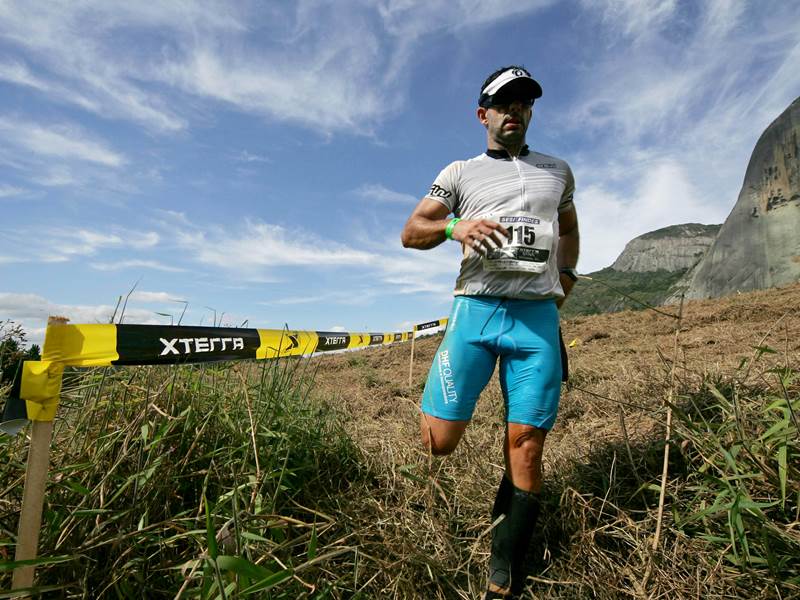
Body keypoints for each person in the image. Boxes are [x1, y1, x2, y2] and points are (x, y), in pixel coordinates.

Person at [400, 65, 579, 599]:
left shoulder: (557, 171)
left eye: (524, 104)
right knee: (439, 442)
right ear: (484, 114)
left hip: (536, 320)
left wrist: (566, 277)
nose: (514, 113)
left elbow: (568, 230)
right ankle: (437, 474)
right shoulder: (459, 172)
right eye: (504, 104)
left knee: (525, 445)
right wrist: (456, 225)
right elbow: (412, 231)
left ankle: (504, 571)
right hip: (475, 313)